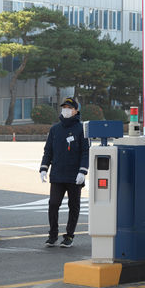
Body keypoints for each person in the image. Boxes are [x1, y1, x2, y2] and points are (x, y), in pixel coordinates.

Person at [39, 97, 89, 248]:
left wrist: (83, 171)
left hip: (75, 176)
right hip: (58, 174)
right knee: (53, 204)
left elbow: (86, 151)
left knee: (74, 206)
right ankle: (53, 234)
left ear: (76, 110)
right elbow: (48, 151)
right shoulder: (55, 129)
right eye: (64, 107)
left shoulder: (82, 129)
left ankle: (69, 236)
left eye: (69, 107)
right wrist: (43, 168)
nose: (65, 110)